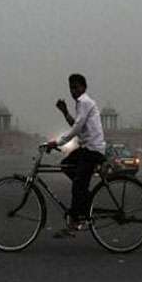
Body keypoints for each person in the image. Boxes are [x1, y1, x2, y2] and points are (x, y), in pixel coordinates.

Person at [47, 74, 106, 231]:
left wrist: (57, 142)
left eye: (76, 87)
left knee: (78, 184)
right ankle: (85, 199)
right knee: (66, 165)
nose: (73, 91)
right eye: (71, 88)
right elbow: (77, 125)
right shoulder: (81, 104)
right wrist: (65, 112)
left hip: (93, 150)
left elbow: (77, 128)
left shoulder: (85, 102)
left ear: (83, 87)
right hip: (87, 148)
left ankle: (75, 222)